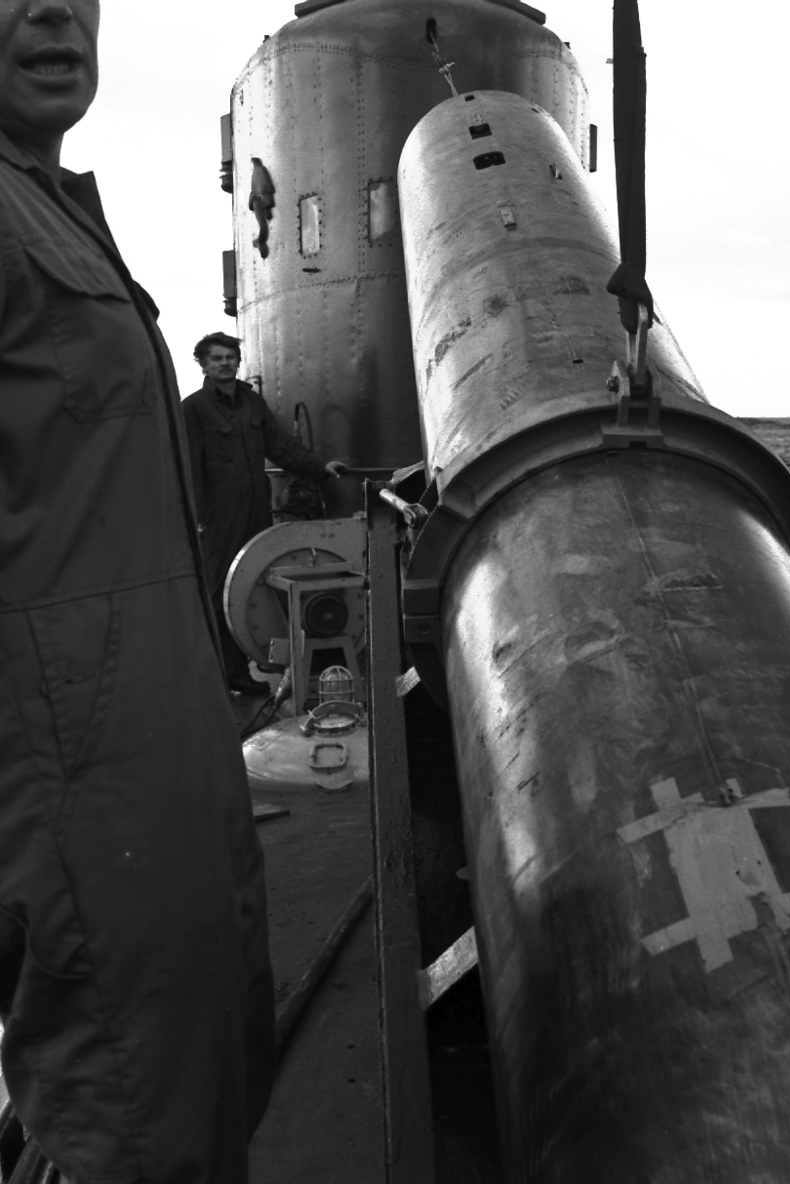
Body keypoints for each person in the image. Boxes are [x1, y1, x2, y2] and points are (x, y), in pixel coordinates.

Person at [0, 3, 274, 1181]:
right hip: (73, 793)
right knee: (132, 1123)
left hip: (155, 770)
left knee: (192, 1089)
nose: (52, 8)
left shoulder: (48, 207)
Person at [182, 333, 347, 695]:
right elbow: (188, 467)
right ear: (204, 365)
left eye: (230, 357)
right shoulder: (193, 409)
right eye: (217, 358)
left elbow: (280, 447)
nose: (225, 363)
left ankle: (252, 662)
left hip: (256, 508)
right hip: (218, 514)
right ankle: (225, 674)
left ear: (238, 361)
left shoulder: (252, 404)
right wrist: (196, 517)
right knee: (219, 591)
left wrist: (320, 467)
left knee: (253, 584)